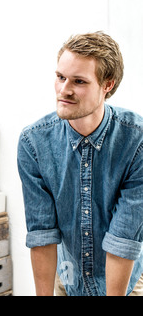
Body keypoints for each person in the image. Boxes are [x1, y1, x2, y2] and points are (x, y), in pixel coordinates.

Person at [17, 31, 143, 296]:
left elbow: (124, 239)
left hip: (128, 281)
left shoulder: (136, 142)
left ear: (107, 85)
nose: (64, 90)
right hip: (69, 279)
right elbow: (42, 234)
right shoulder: (33, 143)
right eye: (60, 77)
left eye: (79, 81)